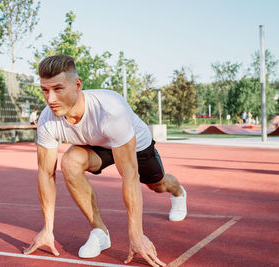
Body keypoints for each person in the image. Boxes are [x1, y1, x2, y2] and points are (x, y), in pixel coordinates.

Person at [24, 55, 187, 267]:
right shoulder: (47, 119)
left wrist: (136, 236)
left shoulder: (110, 110)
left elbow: (130, 175)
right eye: (45, 90)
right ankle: (100, 232)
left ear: (78, 85)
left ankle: (179, 192)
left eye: (58, 89)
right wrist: (47, 228)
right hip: (98, 145)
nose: (50, 99)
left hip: (135, 145)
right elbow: (46, 173)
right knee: (70, 162)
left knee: (157, 184)